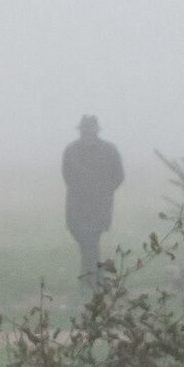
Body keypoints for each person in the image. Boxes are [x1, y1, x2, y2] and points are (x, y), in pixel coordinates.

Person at [61, 115, 125, 276]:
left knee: (91, 241)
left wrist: (103, 191)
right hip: (77, 207)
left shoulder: (109, 150)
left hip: (99, 207)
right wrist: (82, 191)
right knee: (85, 241)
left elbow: (119, 176)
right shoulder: (71, 151)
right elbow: (67, 176)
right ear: (80, 131)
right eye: (84, 131)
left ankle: (91, 278)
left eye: (90, 130)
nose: (87, 134)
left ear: (96, 131)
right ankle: (93, 278)